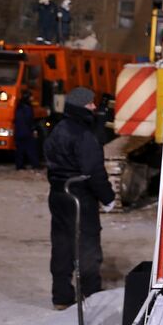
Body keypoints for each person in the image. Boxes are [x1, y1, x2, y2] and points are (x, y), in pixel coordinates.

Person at [43, 86, 116, 309]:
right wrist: (107, 197)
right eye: (90, 104)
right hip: (79, 196)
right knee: (87, 244)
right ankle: (91, 294)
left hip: (58, 194)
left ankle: (62, 296)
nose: (94, 107)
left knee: (62, 243)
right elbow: (94, 170)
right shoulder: (84, 135)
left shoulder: (58, 129)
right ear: (81, 106)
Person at [14, 92, 39, 171]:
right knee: (31, 149)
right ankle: (35, 164)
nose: (32, 99)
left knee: (19, 150)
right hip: (26, 132)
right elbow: (29, 121)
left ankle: (19, 165)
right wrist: (33, 130)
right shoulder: (28, 108)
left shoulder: (19, 107)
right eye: (31, 97)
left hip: (18, 132)